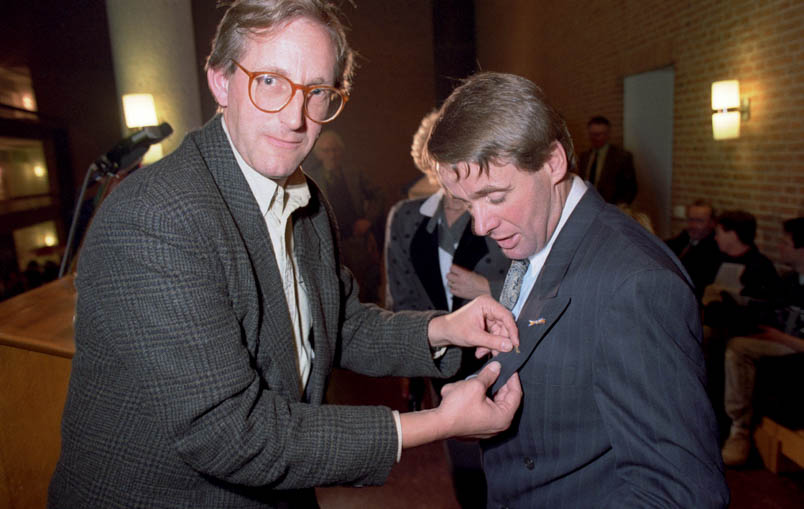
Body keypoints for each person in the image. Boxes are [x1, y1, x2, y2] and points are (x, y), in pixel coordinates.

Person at [47, 2, 523, 507]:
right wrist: (436, 424)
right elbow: (230, 434)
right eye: (270, 81)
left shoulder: (307, 200)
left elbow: (338, 326)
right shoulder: (157, 216)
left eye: (317, 92)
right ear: (221, 82)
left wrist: (443, 329)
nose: (295, 118)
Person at [427, 71, 729, 507]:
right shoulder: (538, 234)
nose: (481, 225)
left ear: (553, 162)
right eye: (466, 202)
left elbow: (681, 495)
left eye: (494, 197)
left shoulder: (636, 285)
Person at [385, 110, 511, 507]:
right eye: (445, 162)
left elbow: (543, 286)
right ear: (430, 163)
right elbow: (400, 296)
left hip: (501, 356)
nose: (456, 173)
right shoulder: (407, 217)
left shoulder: (499, 214)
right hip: (442, 362)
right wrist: (410, 363)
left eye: (464, 160)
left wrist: (487, 288)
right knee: (464, 463)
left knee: (509, 459)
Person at [721, 217, 804, 466]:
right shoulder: (789, 281)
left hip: (795, 347)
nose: (779, 247)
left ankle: (740, 431)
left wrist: (780, 337)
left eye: (785, 243)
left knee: (738, 349)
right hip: (782, 341)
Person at [306, 130, 385, 302]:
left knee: (363, 288)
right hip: (327, 243)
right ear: (318, 154)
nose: (331, 155)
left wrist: (368, 220)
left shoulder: (353, 173)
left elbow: (378, 196)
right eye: (326, 151)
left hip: (354, 241)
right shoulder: (311, 176)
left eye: (335, 150)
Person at [666, 200, 722, 300]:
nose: (693, 225)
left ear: (712, 223)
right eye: (690, 220)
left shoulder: (715, 249)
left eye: (699, 221)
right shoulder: (684, 237)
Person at [577, 115, 637, 205]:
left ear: (608, 134)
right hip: (588, 205)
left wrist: (620, 207)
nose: (595, 138)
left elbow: (631, 188)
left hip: (612, 207)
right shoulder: (584, 157)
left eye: (599, 134)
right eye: (592, 134)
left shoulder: (622, 157)